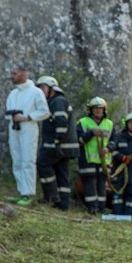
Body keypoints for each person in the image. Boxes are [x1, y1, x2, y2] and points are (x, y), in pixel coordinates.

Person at [4, 66, 50, 206]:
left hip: (28, 129)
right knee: (17, 160)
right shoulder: (13, 94)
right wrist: (13, 117)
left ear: (24, 74)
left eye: (15, 73)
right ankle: (21, 191)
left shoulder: (35, 92)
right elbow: (8, 112)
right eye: (11, 73)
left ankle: (28, 193)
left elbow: (45, 112)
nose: (12, 76)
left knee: (27, 160)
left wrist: (27, 117)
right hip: (14, 129)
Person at [35, 76, 79, 210]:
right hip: (66, 147)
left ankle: (51, 195)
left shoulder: (57, 101)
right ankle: (63, 204)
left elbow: (61, 123)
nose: (40, 91)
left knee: (42, 164)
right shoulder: (57, 101)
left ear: (52, 89)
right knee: (62, 174)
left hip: (59, 145)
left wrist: (56, 142)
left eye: (42, 87)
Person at [77, 96, 115, 214]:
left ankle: (101, 209)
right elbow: (78, 140)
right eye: (95, 108)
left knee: (101, 186)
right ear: (91, 110)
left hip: (104, 161)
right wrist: (91, 133)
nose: (98, 111)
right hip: (87, 160)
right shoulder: (82, 122)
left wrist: (108, 149)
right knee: (90, 185)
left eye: (100, 108)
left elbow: (115, 141)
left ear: (104, 110)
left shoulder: (110, 124)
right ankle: (92, 208)